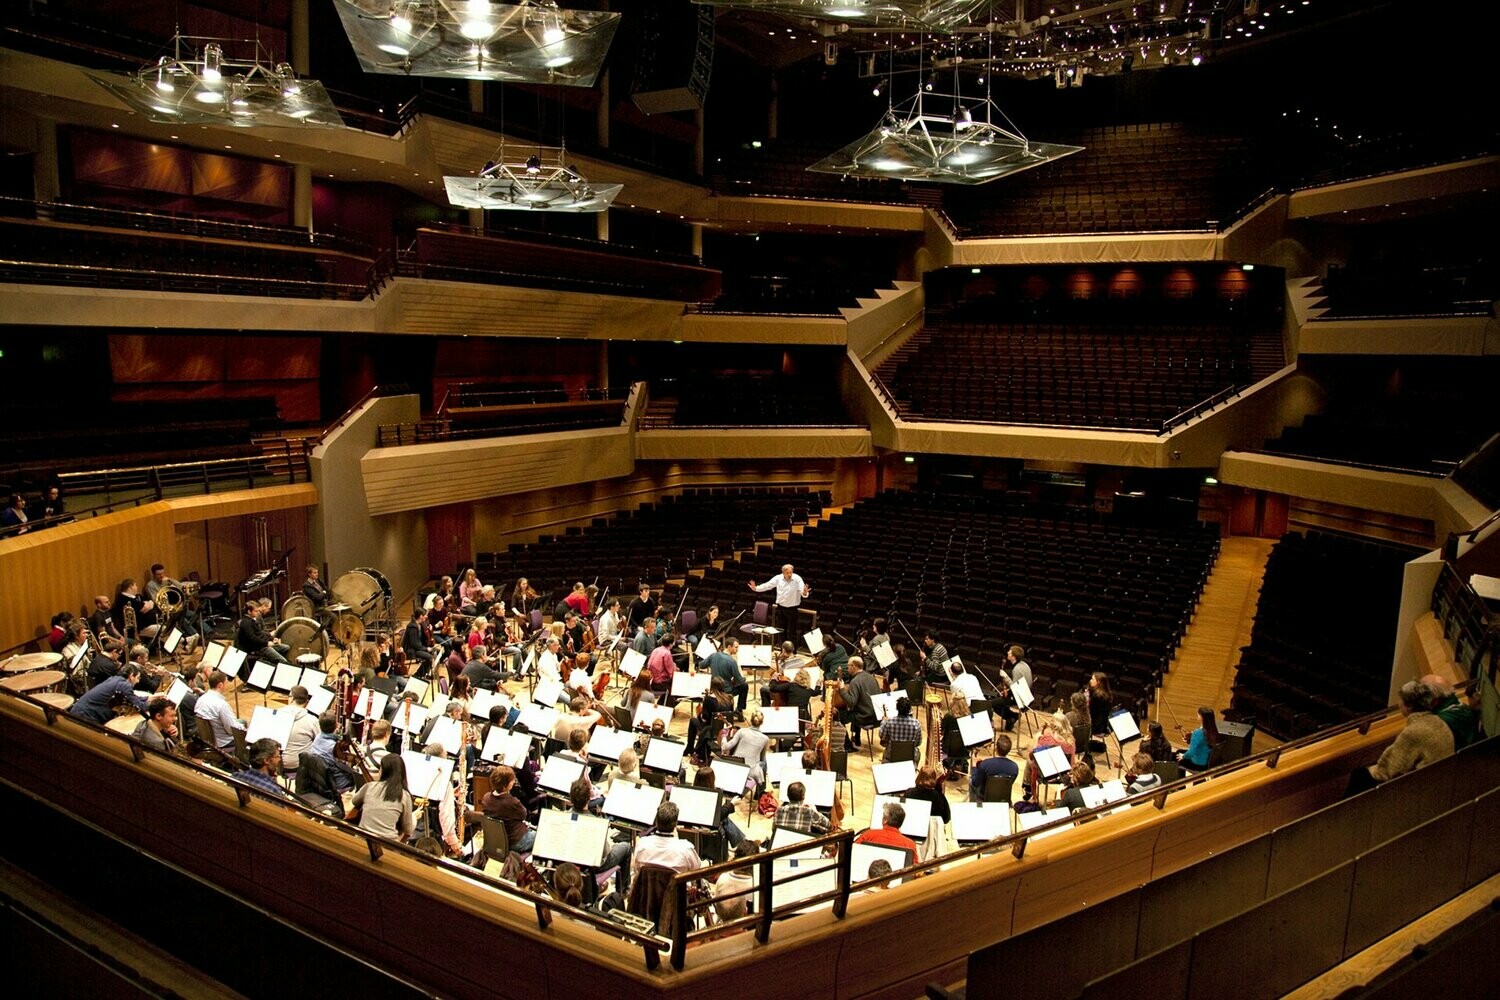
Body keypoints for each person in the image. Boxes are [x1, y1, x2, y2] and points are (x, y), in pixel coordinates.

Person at [1363, 680, 1455, 785]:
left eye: (1400, 699)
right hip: (1442, 777)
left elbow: (1388, 771)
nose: (1398, 703)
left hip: (1424, 784)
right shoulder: (1438, 721)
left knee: (1360, 775)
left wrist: (1371, 770)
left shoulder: (1413, 732)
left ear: (1409, 706)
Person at [352, 753, 416, 841]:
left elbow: (354, 801)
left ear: (384, 771)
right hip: (387, 844)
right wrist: (414, 817)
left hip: (361, 839)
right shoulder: (404, 796)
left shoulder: (369, 787)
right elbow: (408, 829)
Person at [631, 802, 701, 878]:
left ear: (656, 822)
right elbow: (697, 871)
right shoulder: (686, 848)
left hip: (647, 889)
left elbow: (636, 870)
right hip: (675, 890)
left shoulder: (642, 844)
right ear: (676, 824)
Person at [748, 564, 810, 648]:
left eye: (791, 572)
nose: (789, 574)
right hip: (781, 608)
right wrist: (756, 588)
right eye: (787, 573)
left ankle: (793, 651)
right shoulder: (778, 578)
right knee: (781, 631)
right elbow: (767, 585)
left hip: (792, 609)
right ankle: (782, 650)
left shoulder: (797, 579)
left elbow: (803, 592)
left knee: (792, 632)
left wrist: (805, 593)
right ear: (783, 572)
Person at [192, 669, 243, 750]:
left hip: (208, 740)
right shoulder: (221, 705)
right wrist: (244, 728)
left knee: (241, 722)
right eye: (226, 682)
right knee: (244, 729)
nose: (227, 685)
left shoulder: (200, 699)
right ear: (220, 685)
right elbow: (231, 730)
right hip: (223, 743)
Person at [720, 710, 769, 789]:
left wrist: (724, 735)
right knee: (764, 761)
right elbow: (762, 758)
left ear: (750, 720)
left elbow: (725, 747)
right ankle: (761, 791)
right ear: (762, 723)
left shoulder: (742, 731)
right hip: (751, 772)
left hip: (737, 766)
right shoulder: (765, 739)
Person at [712, 840, 760, 921]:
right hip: (749, 924)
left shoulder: (723, 878)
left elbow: (718, 908)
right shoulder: (756, 885)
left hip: (723, 922)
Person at [839, 656, 880, 749]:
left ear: (853, 666)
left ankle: (848, 745)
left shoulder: (855, 681)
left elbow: (851, 702)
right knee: (857, 709)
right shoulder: (872, 678)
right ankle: (857, 738)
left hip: (865, 718)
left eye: (848, 666)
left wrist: (842, 689)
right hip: (877, 717)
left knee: (838, 714)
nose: (847, 668)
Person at [703, 637, 748, 715]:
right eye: (736, 647)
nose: (737, 650)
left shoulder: (713, 655)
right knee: (744, 686)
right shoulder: (732, 661)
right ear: (729, 647)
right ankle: (739, 710)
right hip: (727, 691)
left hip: (714, 689)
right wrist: (744, 678)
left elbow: (702, 665)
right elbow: (739, 680)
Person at [236, 599, 289, 665]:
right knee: (283, 661)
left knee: (286, 648)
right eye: (256, 611)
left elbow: (260, 633)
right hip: (258, 648)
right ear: (249, 611)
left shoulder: (252, 620)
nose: (258, 613)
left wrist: (272, 639)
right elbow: (253, 638)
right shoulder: (246, 623)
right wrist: (266, 643)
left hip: (262, 645)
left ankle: (274, 662)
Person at [970, 733, 1019, 801]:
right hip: (1003, 797)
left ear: (996, 748)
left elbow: (975, 783)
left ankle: (974, 805)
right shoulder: (1015, 767)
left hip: (984, 796)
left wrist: (974, 766)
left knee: (971, 781)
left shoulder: (985, 765)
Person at [878, 695, 922, 762]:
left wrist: (883, 721)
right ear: (909, 710)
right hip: (909, 757)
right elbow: (918, 743)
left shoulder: (889, 722)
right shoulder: (916, 723)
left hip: (891, 756)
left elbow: (882, 736)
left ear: (897, 708)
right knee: (918, 752)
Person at [1176, 706, 1220, 772]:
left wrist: (1183, 756)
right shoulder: (1213, 730)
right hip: (1207, 762)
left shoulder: (1198, 733)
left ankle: (1180, 780)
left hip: (1197, 764)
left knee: (1178, 755)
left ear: (1202, 717)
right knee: (1180, 751)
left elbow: (1190, 753)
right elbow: (1204, 744)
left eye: (1199, 714)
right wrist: (1191, 741)